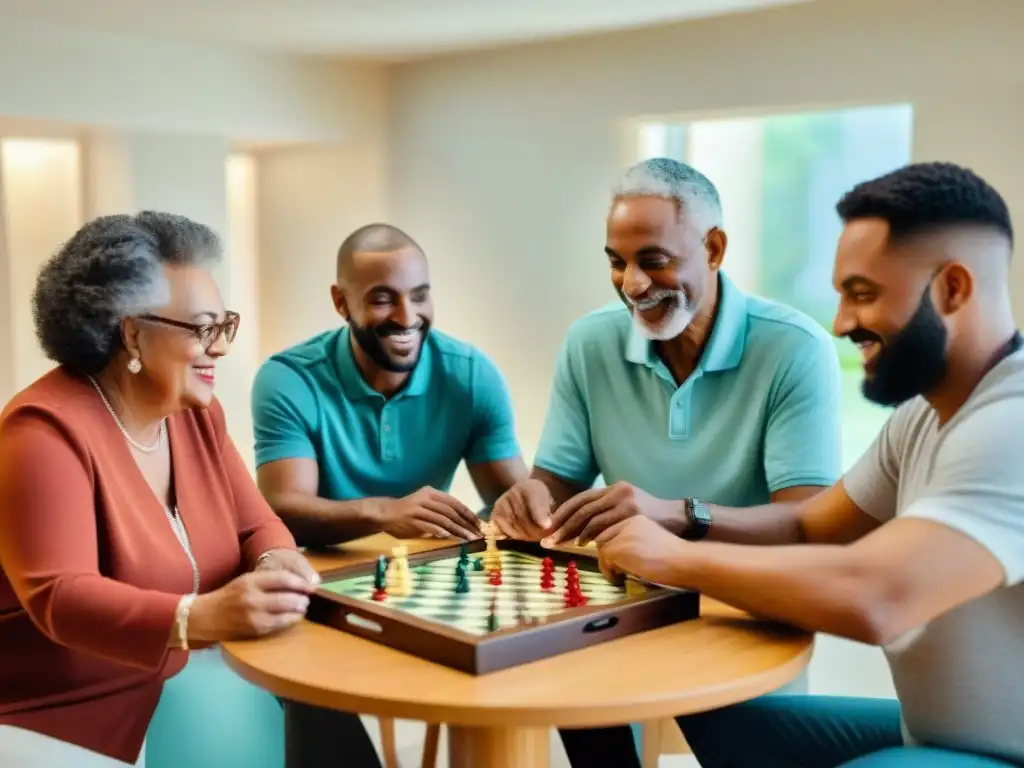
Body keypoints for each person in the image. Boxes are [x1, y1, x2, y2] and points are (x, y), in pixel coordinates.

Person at [594, 162, 1024, 767]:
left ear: (952, 289)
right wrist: (679, 516)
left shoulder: (1012, 423)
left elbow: (878, 599)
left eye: (863, 294)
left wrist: (678, 560)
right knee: (713, 710)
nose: (842, 323)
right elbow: (805, 526)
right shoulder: (923, 416)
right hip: (933, 736)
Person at [490, 157, 844, 767]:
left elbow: (807, 523)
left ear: (713, 248)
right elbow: (557, 479)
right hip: (624, 609)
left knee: (748, 744)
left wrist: (678, 515)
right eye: (615, 261)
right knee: (564, 683)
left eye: (653, 260)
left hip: (746, 612)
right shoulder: (589, 341)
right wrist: (531, 496)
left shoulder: (794, 348)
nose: (631, 283)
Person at [0, 212, 319, 767]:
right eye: (201, 329)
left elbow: (254, 524)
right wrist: (196, 618)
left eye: (224, 326)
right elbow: (60, 595)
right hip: (61, 713)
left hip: (190, 685)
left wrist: (274, 560)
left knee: (324, 728)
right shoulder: (41, 432)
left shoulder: (196, 416)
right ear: (131, 333)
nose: (219, 348)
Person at [251, 222, 527, 767]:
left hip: (431, 593)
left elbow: (510, 502)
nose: (406, 317)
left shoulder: (472, 376)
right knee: (313, 701)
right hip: (320, 596)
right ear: (340, 301)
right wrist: (384, 511)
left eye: (419, 295)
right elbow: (284, 513)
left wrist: (537, 503)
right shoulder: (288, 379)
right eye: (382, 299)